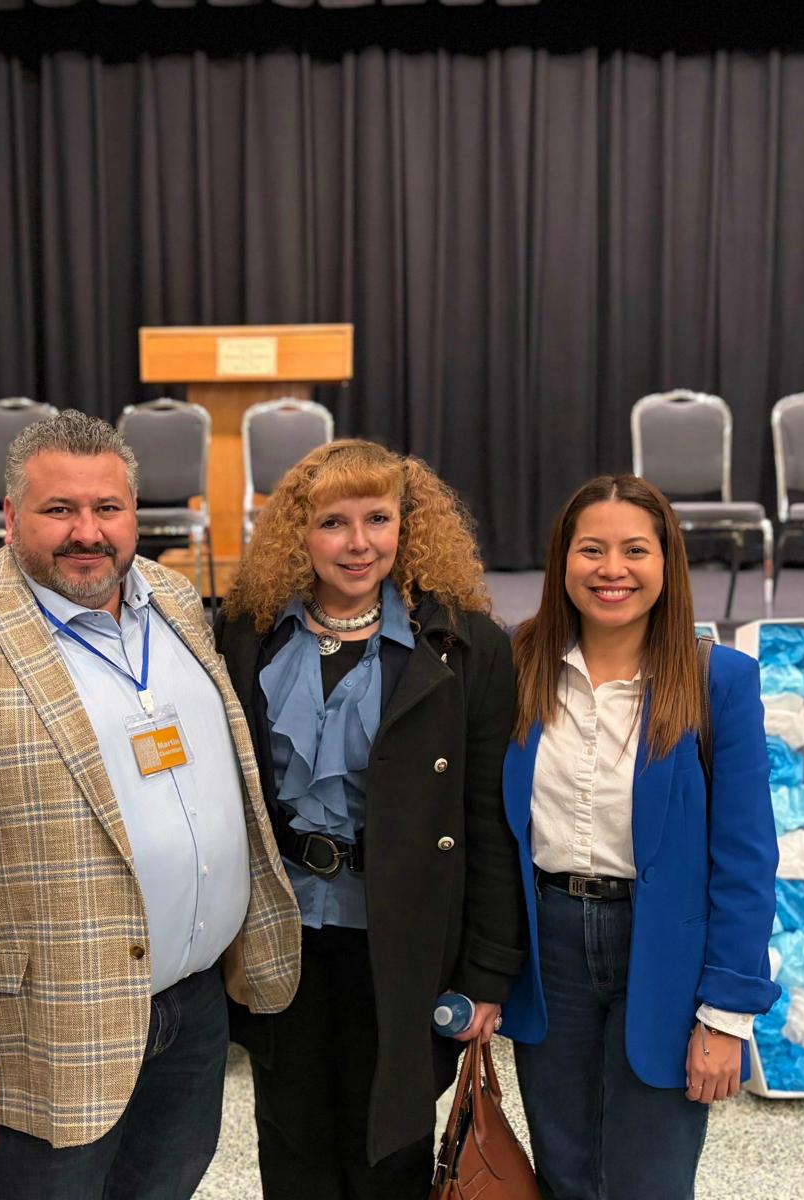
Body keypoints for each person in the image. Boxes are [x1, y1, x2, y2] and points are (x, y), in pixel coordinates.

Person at [0, 410, 301, 1200]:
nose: (87, 532)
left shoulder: (172, 597)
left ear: (136, 514)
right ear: (10, 516)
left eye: (107, 508)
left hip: (192, 1009)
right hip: (45, 1038)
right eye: (59, 509)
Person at [215, 439, 525, 1199]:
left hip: (404, 938)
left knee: (388, 1149)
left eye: (377, 519)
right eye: (333, 523)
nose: (358, 544)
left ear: (406, 526)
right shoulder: (249, 633)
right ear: (299, 533)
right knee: (291, 1140)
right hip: (281, 932)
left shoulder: (465, 646)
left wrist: (485, 973)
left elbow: (491, 822)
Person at [500, 474, 781, 1200]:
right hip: (550, 948)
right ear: (562, 560)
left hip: (663, 953)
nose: (612, 570)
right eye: (591, 549)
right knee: (564, 1173)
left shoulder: (719, 682)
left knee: (649, 1181)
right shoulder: (515, 667)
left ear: (667, 562)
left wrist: (726, 1016)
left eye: (634, 550)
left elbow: (746, 862)